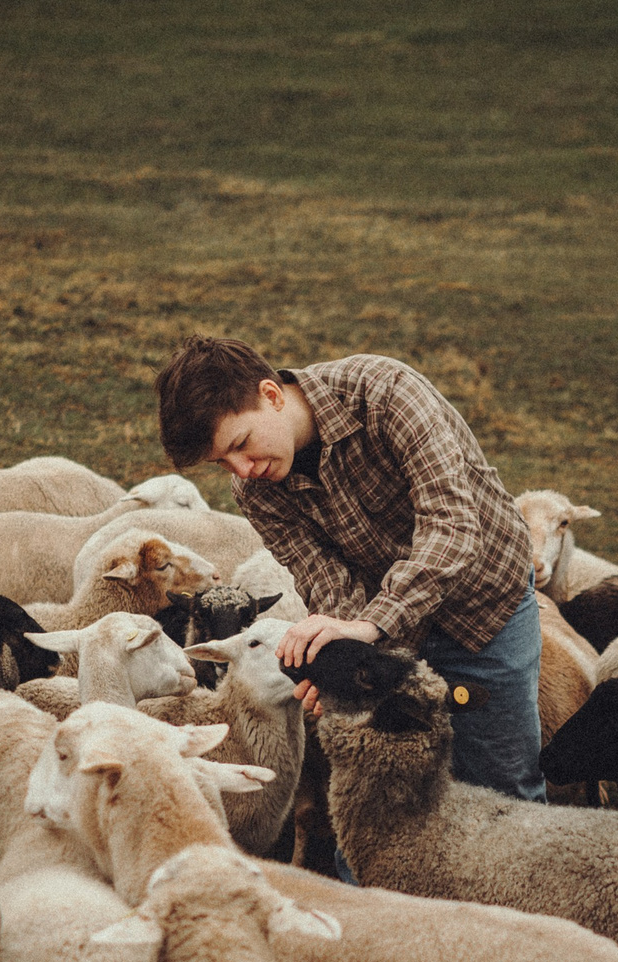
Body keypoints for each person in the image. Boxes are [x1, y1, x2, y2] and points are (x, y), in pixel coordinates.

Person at [153, 336, 546, 807]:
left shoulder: (388, 394)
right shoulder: (256, 490)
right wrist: (342, 656)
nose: (241, 468)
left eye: (241, 444)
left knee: (504, 786)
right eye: (223, 462)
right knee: (377, 794)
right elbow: (323, 578)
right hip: (387, 638)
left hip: (483, 612)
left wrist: (368, 626)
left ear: (272, 396)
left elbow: (453, 525)